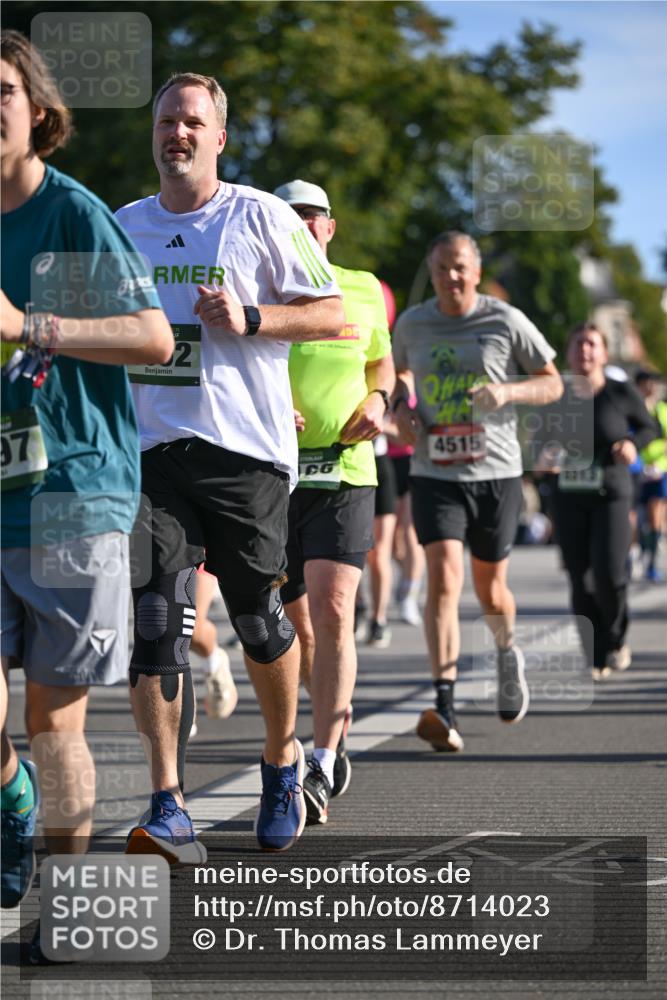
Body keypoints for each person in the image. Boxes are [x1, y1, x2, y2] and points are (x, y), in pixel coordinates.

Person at [115, 80, 344, 855]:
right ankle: (167, 801)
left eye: (192, 122)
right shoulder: (123, 226)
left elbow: (329, 313)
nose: (176, 133)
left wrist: (250, 317)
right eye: (166, 121)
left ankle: (281, 760)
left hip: (244, 451)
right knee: (156, 624)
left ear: (218, 138)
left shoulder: (261, 215)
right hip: (150, 456)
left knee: (255, 616)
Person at [0, 30, 173, 959]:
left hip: (71, 494)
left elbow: (153, 338)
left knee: (53, 720)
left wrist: (31, 325)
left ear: (38, 110)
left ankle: (63, 912)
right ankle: (11, 795)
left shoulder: (74, 214)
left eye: (1, 90)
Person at [392, 231, 563, 751]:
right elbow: (398, 372)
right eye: (442, 267)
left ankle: (507, 652)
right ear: (432, 268)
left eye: (461, 267)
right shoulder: (413, 322)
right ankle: (444, 704)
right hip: (434, 471)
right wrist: (402, 407)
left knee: (490, 590)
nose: (452, 277)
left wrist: (508, 391)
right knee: (443, 580)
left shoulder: (504, 319)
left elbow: (553, 381)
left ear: (476, 268)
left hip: (496, 470)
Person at [273, 179, 394, 824]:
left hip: (347, 470)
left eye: (311, 218)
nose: (303, 227)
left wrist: (379, 400)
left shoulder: (364, 287)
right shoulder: (256, 283)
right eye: (289, 217)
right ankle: (315, 731)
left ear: (330, 227)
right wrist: (267, 404)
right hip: (273, 474)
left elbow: (383, 366)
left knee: (335, 606)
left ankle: (318, 760)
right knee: (290, 629)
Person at [542, 326, 658, 678]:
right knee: (580, 578)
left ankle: (615, 638)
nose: (585, 351)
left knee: (608, 573)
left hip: (611, 493)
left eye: (592, 344)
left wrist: (632, 445)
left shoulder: (620, 392)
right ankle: (594, 655)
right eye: (578, 344)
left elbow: (650, 426)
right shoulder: (557, 394)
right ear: (569, 352)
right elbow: (539, 438)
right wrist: (545, 457)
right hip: (569, 496)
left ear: (604, 354)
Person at [635, 369, 667, 582]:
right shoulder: (633, 408)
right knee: (635, 517)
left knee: (656, 514)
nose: (652, 387)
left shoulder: (663, 410)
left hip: (659, 469)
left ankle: (651, 562)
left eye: (654, 383)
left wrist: (658, 463)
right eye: (648, 382)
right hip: (637, 469)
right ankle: (634, 554)